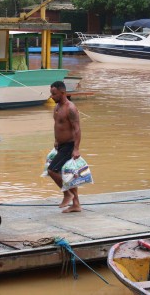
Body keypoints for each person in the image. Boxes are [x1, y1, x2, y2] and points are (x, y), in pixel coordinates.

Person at [47, 80, 82, 213]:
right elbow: (59, 126)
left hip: (69, 145)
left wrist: (76, 148)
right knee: (69, 174)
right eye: (51, 93)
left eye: (54, 94)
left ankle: (67, 194)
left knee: (52, 170)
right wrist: (56, 140)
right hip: (60, 145)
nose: (52, 96)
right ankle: (76, 204)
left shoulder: (71, 108)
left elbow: (77, 129)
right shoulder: (57, 107)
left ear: (63, 93)